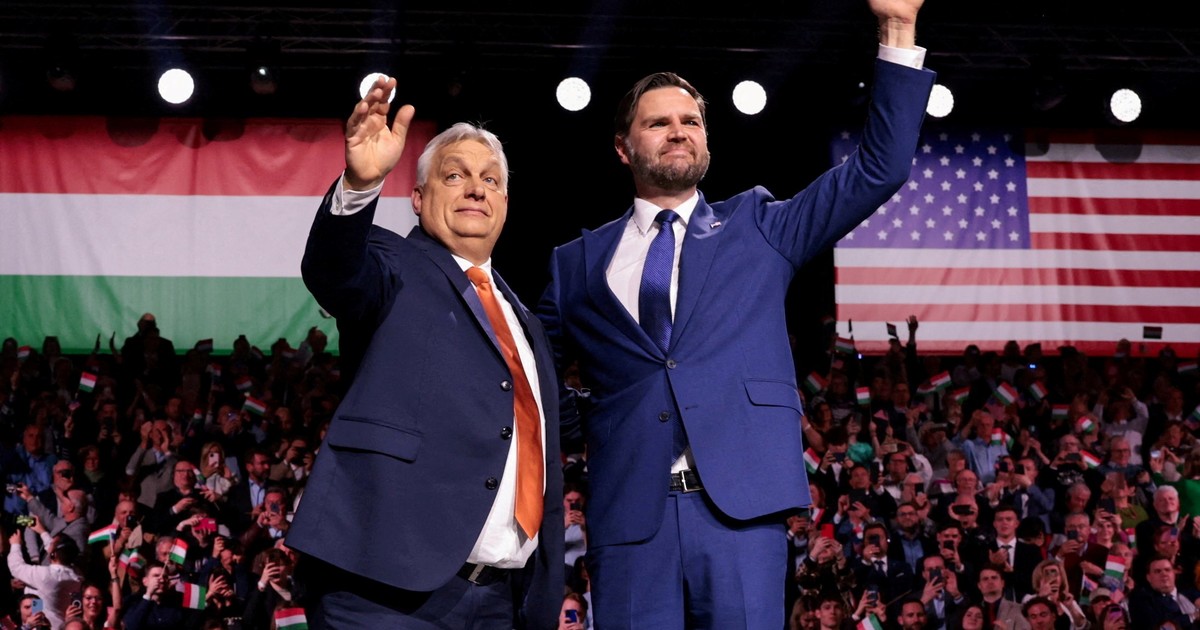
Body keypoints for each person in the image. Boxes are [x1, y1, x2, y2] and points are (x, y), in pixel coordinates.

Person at [536, 1, 934, 626]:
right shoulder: (576, 263)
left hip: (741, 517)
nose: (678, 131)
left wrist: (897, 29)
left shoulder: (759, 226)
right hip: (629, 521)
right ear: (622, 147)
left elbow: (878, 169)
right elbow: (531, 374)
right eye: (658, 122)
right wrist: (594, 422)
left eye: (691, 121)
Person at [287, 74, 562, 628]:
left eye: (490, 179)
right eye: (454, 175)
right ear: (417, 198)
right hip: (385, 591)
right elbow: (335, 271)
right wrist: (360, 184)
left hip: (503, 600)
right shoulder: (391, 265)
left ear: (505, 203)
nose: (476, 189)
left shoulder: (523, 319)